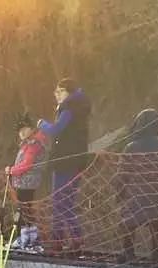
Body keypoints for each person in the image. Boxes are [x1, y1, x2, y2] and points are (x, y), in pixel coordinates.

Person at [116, 108, 158, 263]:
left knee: (128, 222)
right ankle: (157, 253)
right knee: (156, 222)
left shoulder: (131, 147)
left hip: (135, 199)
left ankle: (128, 252)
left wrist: (119, 194)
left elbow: (122, 175)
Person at [38, 78, 92, 255]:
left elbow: (56, 129)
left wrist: (41, 124)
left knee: (60, 202)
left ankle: (66, 240)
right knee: (65, 201)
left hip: (65, 162)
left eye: (59, 91)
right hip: (75, 162)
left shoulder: (69, 109)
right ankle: (64, 240)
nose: (56, 94)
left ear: (68, 92)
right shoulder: (78, 109)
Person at [5, 112, 50, 249]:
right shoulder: (29, 143)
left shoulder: (33, 144)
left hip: (27, 182)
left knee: (22, 210)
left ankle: (22, 238)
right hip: (26, 182)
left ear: (31, 128)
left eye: (24, 129)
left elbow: (27, 164)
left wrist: (11, 170)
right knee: (27, 210)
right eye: (20, 131)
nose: (22, 133)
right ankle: (32, 237)